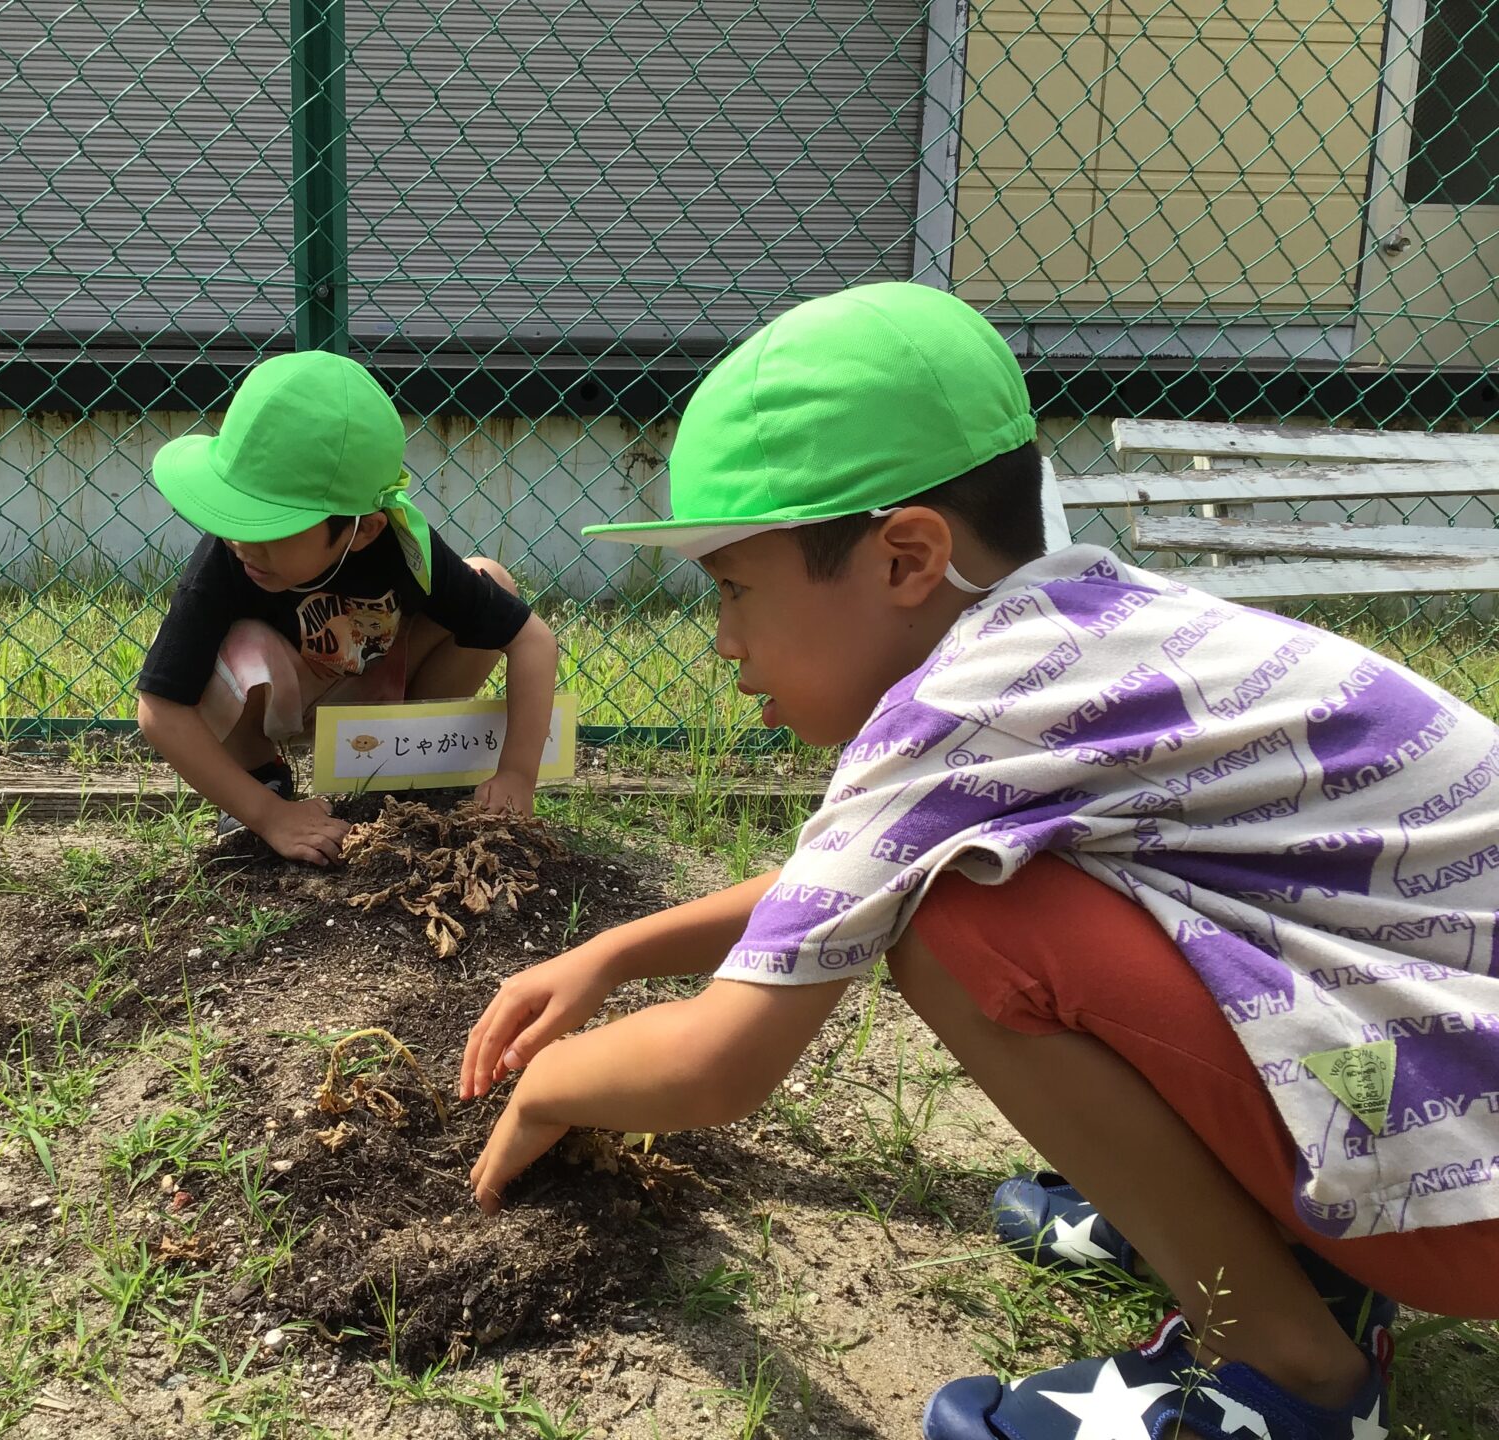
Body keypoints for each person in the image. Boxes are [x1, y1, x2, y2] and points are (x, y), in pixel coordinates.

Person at [457, 282, 1499, 1440]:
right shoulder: (1089, 631)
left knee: (958, 921)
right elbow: (836, 881)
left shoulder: (966, 703)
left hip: (1463, 1208)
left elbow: (722, 1063)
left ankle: (1286, 1374)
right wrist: (618, 949)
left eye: (736, 588)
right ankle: (1265, 1243)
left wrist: (549, 1084)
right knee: (975, 879)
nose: (725, 640)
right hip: (1452, 1116)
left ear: (908, 557)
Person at [136, 351, 558, 864]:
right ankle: (259, 776)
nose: (243, 542)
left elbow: (533, 641)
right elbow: (160, 708)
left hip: (374, 697)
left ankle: (403, 768)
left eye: (271, 525)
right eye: (234, 514)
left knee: (493, 580)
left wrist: (516, 772)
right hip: (280, 702)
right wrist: (269, 817)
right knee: (241, 644)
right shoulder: (226, 557)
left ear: (365, 529)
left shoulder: (404, 548)